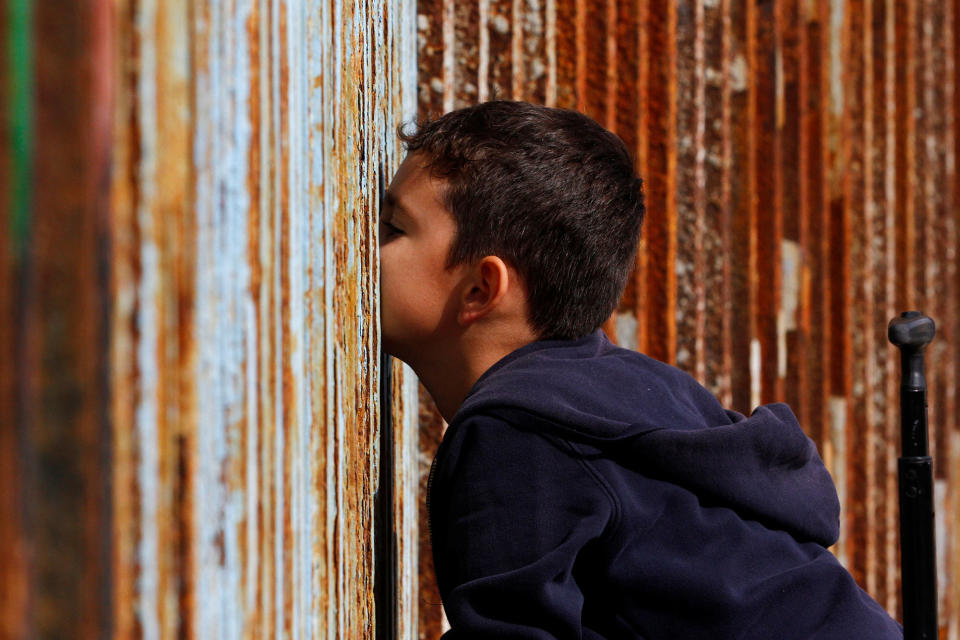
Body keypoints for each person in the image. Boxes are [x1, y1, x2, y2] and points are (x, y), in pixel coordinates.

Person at [378, 100, 902, 639]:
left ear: (481, 289)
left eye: (392, 228)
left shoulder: (520, 430)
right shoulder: (632, 388)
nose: (367, 244)